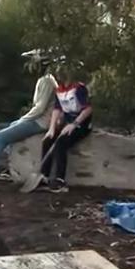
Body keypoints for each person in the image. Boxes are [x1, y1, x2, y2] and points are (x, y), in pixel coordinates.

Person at [0, 49, 57, 192]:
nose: (29, 65)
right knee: (11, 127)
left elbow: (40, 108)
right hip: (39, 120)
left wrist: (22, 120)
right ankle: (10, 168)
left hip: (41, 122)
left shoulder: (47, 81)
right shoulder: (44, 79)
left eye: (32, 62)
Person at [37, 60, 93, 193]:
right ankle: (43, 176)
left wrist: (74, 124)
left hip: (81, 123)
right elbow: (57, 109)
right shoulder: (59, 89)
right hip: (66, 122)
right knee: (48, 141)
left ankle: (60, 180)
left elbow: (88, 109)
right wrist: (51, 129)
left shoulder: (79, 88)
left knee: (61, 144)